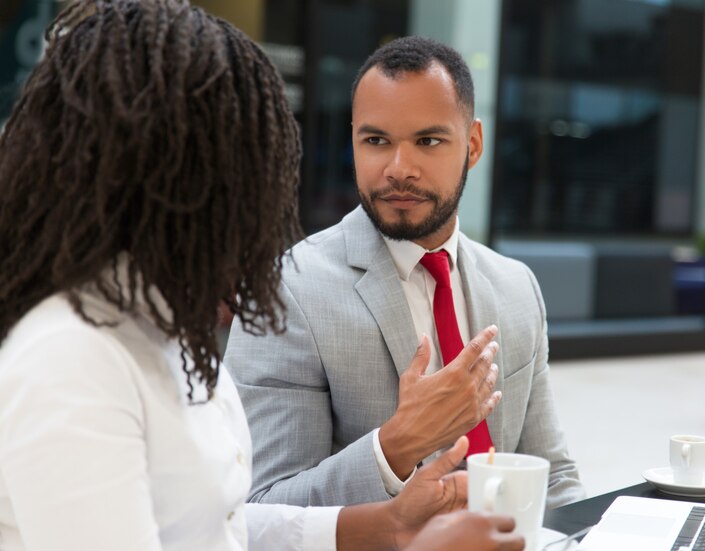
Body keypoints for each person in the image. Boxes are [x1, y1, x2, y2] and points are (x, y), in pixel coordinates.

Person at [0, 2, 524, 550]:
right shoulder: (70, 359)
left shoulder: (169, 334)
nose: (262, 213)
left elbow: (217, 525)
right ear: (167, 191)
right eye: (247, 180)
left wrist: (381, 528)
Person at [225, 36, 586, 509]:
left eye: (428, 141)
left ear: (473, 144)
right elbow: (260, 510)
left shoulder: (517, 287)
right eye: (376, 141)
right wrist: (395, 447)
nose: (399, 168)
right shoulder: (288, 288)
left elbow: (553, 477)